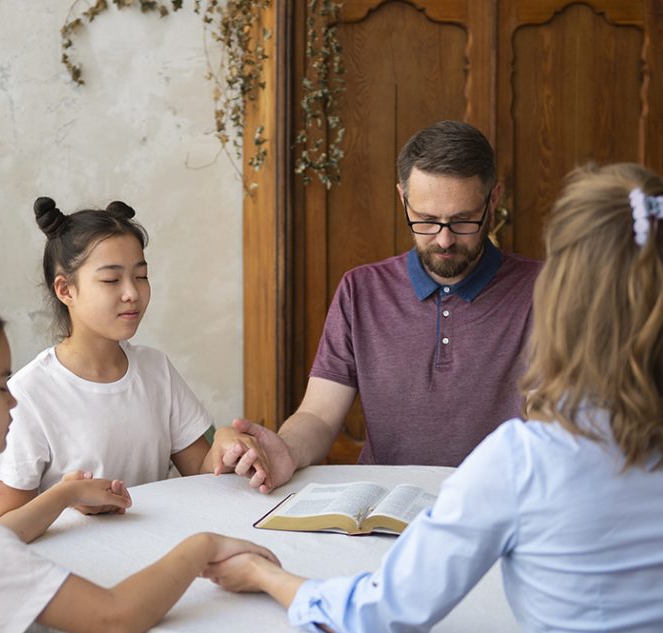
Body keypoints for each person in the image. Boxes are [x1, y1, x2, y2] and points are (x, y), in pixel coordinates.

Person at [202, 163, 663, 632]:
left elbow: (376, 616)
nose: (445, 237)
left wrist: (263, 576)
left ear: (560, 299)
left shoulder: (527, 457)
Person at [0, 295, 276, 632]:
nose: (14, 398)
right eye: (2, 385)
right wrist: (204, 546)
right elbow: (115, 617)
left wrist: (66, 492)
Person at [218, 120, 542, 491]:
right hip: (383, 508)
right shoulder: (361, 289)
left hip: (501, 503)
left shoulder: (547, 291)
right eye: (425, 220)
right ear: (403, 198)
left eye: (463, 220)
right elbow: (319, 415)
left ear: (493, 199)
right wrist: (286, 449)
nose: (445, 239)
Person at [0, 197, 252, 518]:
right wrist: (66, 498)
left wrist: (225, 443)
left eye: (141, 276)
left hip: (158, 551)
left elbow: (204, 478)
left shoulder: (156, 369)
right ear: (65, 289)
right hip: (76, 562)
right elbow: (4, 525)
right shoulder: (28, 393)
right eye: (111, 280)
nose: (132, 293)